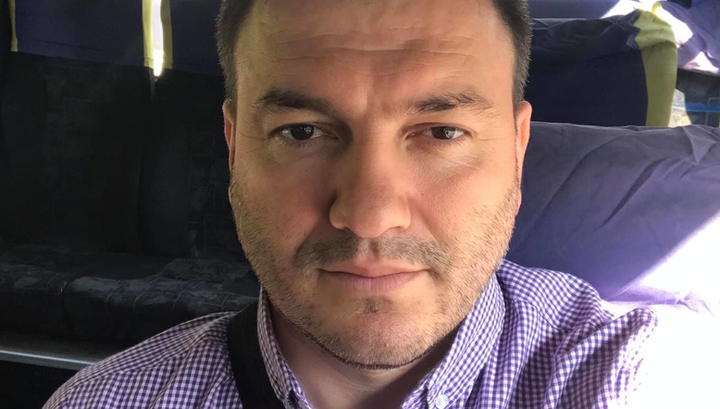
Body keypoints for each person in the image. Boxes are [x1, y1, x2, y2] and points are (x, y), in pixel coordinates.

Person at [44, 0, 660, 407]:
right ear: (233, 149)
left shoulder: (634, 381)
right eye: (302, 132)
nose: (369, 216)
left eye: (442, 132)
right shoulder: (104, 403)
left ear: (517, 151)